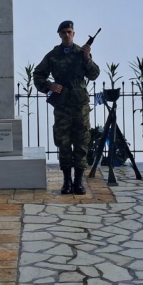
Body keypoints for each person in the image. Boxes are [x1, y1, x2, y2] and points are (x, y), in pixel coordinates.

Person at [33, 20, 100, 195]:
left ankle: (78, 181)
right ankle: (66, 181)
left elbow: (94, 75)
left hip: (80, 106)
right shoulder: (53, 55)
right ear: (59, 35)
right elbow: (38, 74)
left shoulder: (81, 53)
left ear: (74, 33)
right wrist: (50, 86)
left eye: (69, 32)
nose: (67, 35)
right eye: (63, 32)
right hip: (62, 105)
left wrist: (87, 59)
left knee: (81, 143)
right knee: (63, 143)